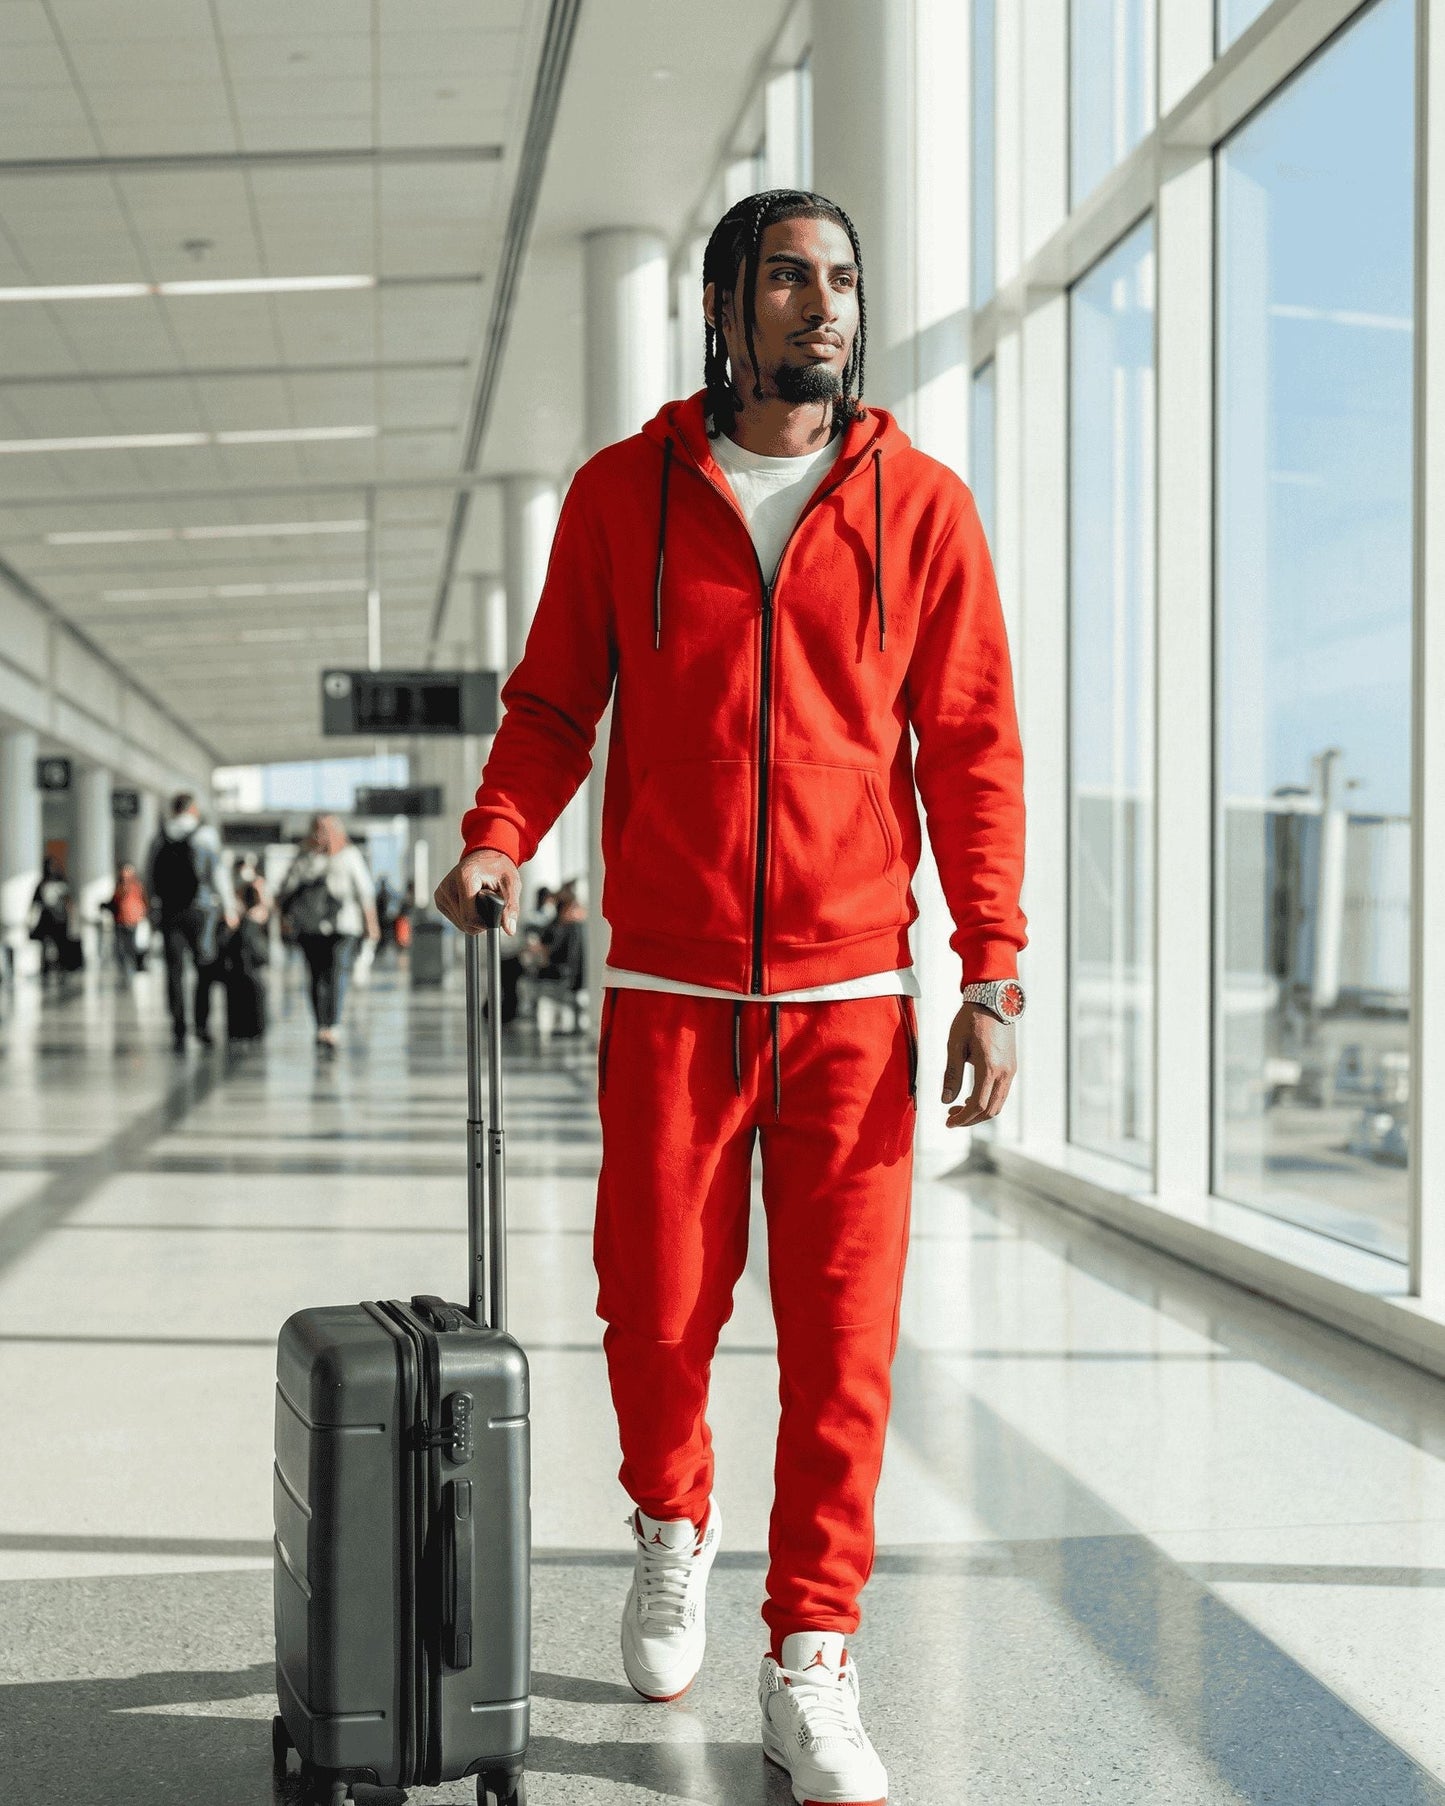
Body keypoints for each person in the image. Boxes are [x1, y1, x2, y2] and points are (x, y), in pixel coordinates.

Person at [435, 189, 1028, 1805]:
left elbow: (971, 749)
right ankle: (673, 1525)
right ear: (721, 307)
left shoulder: (926, 512)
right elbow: (558, 702)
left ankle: (813, 1654)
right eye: (788, 279)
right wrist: (498, 837)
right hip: (671, 988)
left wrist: (994, 968)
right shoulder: (625, 497)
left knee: (844, 1351)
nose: (822, 307)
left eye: (841, 279)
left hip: (850, 1002)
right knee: (655, 1306)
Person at [278, 814, 379, 1048]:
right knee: (314, 976)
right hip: (310, 926)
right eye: (316, 829)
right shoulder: (304, 857)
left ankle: (332, 1025)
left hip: (343, 926)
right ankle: (320, 1025)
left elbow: (365, 892)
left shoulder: (349, 856)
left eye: (325, 829)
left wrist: (370, 924)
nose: (320, 834)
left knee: (336, 973)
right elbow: (287, 889)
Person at [146, 793, 236, 1050]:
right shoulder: (205, 836)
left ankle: (178, 1025)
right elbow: (217, 873)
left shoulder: (160, 837)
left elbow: (149, 876)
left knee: (174, 970)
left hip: (170, 911)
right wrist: (229, 907)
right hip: (202, 909)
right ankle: (201, 1025)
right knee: (204, 966)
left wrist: (154, 907)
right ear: (193, 810)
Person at [29, 856, 74, 979]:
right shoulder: (42, 884)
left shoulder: (60, 882)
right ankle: (47, 967)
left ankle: (61, 966)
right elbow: (36, 902)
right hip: (48, 919)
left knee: (60, 945)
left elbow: (68, 900)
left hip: (59, 919)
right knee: (46, 944)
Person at [104, 861, 149, 979]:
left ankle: (132, 967)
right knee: (123, 947)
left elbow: (143, 901)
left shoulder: (136, 887)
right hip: (122, 920)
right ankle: (127, 969)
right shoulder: (121, 887)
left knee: (130, 946)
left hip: (132, 920)